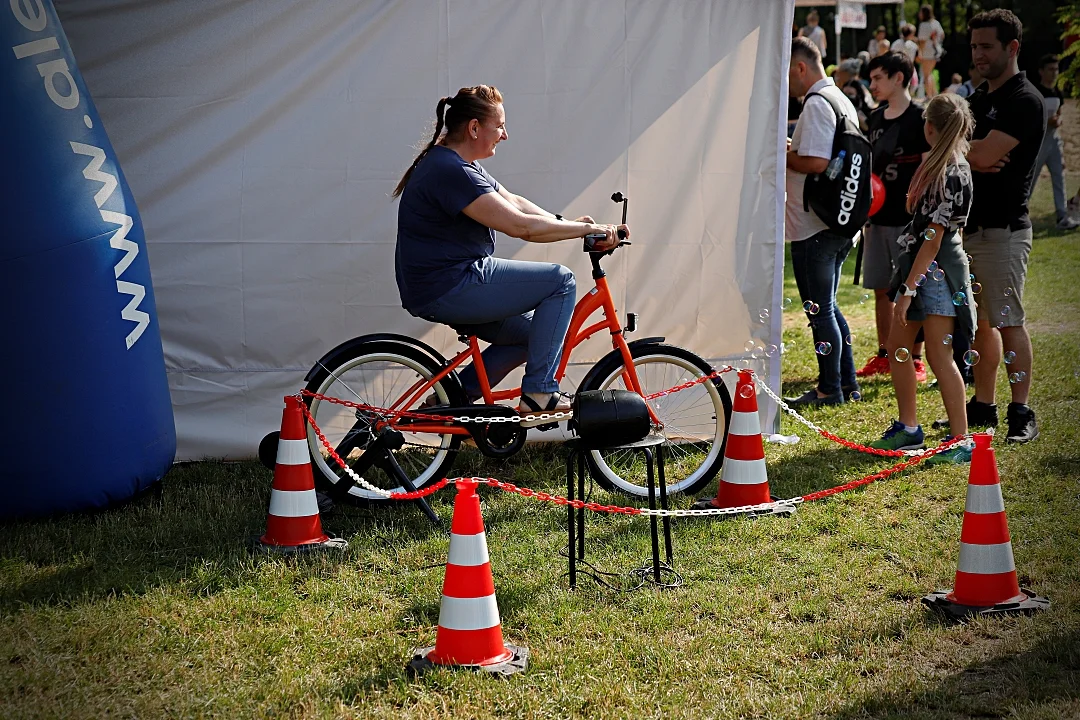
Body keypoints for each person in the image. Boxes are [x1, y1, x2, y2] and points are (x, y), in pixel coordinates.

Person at [393, 85, 628, 424]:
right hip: (452, 284)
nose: (505, 135)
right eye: (499, 125)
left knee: (534, 337)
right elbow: (521, 227)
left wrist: (564, 222)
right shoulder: (451, 170)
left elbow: (514, 201)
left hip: (441, 284)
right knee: (559, 282)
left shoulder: (455, 162)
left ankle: (450, 400)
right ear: (474, 128)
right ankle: (540, 394)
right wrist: (586, 231)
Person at [869, 94, 977, 464]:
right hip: (918, 270)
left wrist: (908, 289)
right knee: (899, 347)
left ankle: (960, 440)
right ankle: (909, 429)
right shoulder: (937, 164)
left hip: (936, 276)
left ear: (930, 127)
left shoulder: (953, 171)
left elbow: (934, 238)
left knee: (939, 355)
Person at [964, 9, 1045, 443]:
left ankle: (1021, 413)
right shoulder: (979, 97)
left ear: (1012, 48)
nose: (977, 53)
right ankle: (983, 407)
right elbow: (953, 143)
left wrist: (965, 149)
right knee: (981, 324)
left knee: (1008, 319)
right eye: (974, 45)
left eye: (986, 46)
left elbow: (975, 153)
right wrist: (967, 149)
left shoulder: (1024, 99)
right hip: (972, 227)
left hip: (1004, 230)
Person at [783, 37, 861, 407]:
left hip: (814, 225)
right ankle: (847, 384)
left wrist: (784, 155)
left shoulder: (816, 104)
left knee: (821, 309)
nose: (787, 86)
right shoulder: (840, 98)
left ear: (800, 68)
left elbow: (814, 162)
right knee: (828, 306)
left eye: (787, 75)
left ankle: (830, 390)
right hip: (840, 221)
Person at [858, 52, 931, 383]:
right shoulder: (875, 118)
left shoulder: (921, 117)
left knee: (908, 290)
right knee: (880, 289)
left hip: (908, 220)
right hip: (876, 219)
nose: (871, 85)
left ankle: (914, 358)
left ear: (899, 77)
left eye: (877, 78)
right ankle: (886, 353)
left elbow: (929, 167)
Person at [1030, 55, 1078, 230]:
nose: (1054, 73)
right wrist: (1045, 122)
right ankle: (1018, 215)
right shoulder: (1035, 93)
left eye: (1056, 69)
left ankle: (1062, 216)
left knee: (1059, 178)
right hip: (1038, 142)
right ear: (1041, 72)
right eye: (1050, 69)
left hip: (1054, 141)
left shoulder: (1058, 93)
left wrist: (1058, 120)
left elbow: (1059, 112)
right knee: (1030, 180)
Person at [916, 5, 946, 99]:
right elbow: (942, 35)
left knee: (926, 75)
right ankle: (934, 93)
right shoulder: (936, 23)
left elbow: (922, 41)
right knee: (930, 73)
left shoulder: (924, 25)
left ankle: (929, 96)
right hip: (936, 51)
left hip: (927, 52)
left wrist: (919, 52)